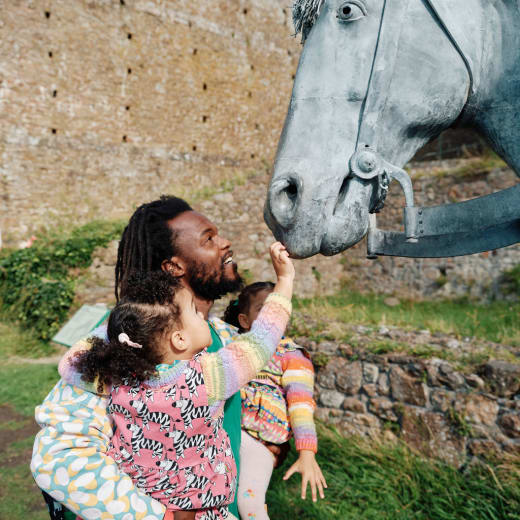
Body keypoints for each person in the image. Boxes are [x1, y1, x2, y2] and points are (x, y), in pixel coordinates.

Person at [31, 196, 246, 520]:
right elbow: (61, 457)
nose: (225, 243)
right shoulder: (120, 341)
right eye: (209, 239)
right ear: (174, 267)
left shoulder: (223, 338)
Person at [57, 242, 294, 520]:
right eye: (194, 312)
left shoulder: (119, 379)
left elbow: (68, 365)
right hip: (203, 510)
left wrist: (119, 334)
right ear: (179, 339)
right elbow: (262, 339)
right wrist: (285, 280)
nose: (202, 315)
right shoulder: (208, 377)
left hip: (144, 506)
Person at [222, 282, 327, 520]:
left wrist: (307, 453)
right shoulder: (236, 348)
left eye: (275, 309)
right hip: (229, 433)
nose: (271, 315)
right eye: (262, 309)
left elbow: (301, 405)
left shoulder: (291, 354)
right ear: (244, 321)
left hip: (260, 445)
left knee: (249, 504)